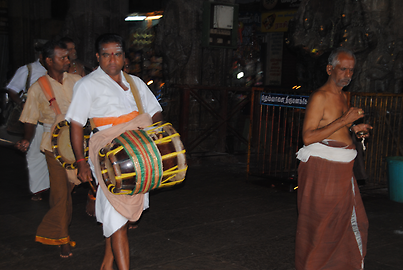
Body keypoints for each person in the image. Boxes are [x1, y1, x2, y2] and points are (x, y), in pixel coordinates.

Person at [65, 33, 162, 270]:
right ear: (98, 57)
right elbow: (76, 124)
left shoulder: (136, 84)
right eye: (106, 54)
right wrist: (80, 161)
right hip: (108, 156)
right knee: (117, 217)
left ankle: (107, 264)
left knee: (118, 218)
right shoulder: (87, 85)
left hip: (138, 156)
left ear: (124, 57)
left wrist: (156, 133)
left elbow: (156, 111)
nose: (112, 59)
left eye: (117, 54)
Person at [295, 47, 371, 270]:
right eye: (343, 69)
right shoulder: (319, 97)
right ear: (330, 69)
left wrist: (355, 129)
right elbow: (308, 136)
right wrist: (344, 120)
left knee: (349, 223)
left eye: (351, 70)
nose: (348, 74)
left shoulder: (343, 96)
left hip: (343, 170)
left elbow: (337, 128)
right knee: (321, 227)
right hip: (322, 170)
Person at [15, 40, 82, 258]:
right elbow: (29, 118)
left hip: (79, 142)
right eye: (62, 57)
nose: (67, 60)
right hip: (53, 145)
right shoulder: (38, 87)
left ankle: (53, 229)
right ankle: (61, 238)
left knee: (69, 190)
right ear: (48, 60)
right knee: (61, 193)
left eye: (67, 56)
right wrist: (26, 139)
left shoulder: (78, 81)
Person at [5, 41, 50, 201]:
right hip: (34, 117)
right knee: (36, 152)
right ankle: (38, 189)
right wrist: (22, 104)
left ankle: (52, 184)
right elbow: (12, 89)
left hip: (52, 117)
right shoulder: (28, 70)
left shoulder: (59, 71)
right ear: (42, 57)